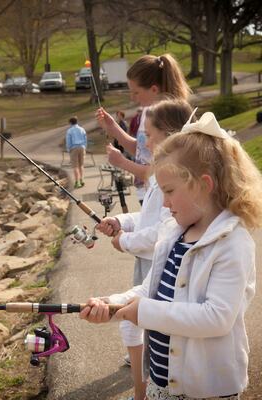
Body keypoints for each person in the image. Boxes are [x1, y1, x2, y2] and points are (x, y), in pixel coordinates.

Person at [80, 112, 262, 400]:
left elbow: (216, 318)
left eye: (170, 191)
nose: (164, 203)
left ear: (204, 185)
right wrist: (113, 303)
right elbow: (147, 290)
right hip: (163, 382)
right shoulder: (174, 233)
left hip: (207, 389)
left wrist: (143, 312)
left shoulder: (232, 242)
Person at [97, 99, 196, 400]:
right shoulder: (160, 175)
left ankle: (144, 393)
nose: (144, 141)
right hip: (153, 262)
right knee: (134, 323)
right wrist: (121, 221)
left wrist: (124, 241)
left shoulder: (175, 183)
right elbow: (150, 216)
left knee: (147, 329)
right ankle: (145, 392)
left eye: (148, 134)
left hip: (155, 257)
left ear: (170, 134)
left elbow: (160, 227)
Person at [97, 53, 191, 205]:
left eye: (136, 92)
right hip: (147, 193)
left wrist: (122, 162)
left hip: (164, 197)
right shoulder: (147, 113)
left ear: (154, 89)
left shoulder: (167, 118)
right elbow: (141, 150)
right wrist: (113, 128)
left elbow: (160, 169)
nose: (133, 98)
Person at [65, 116, 87, 188]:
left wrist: (69, 149)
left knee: (75, 166)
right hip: (82, 147)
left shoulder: (70, 131)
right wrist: (84, 147)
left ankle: (77, 182)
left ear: (70, 123)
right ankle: (82, 180)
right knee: (81, 165)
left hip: (74, 148)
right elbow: (85, 139)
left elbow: (68, 141)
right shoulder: (82, 129)